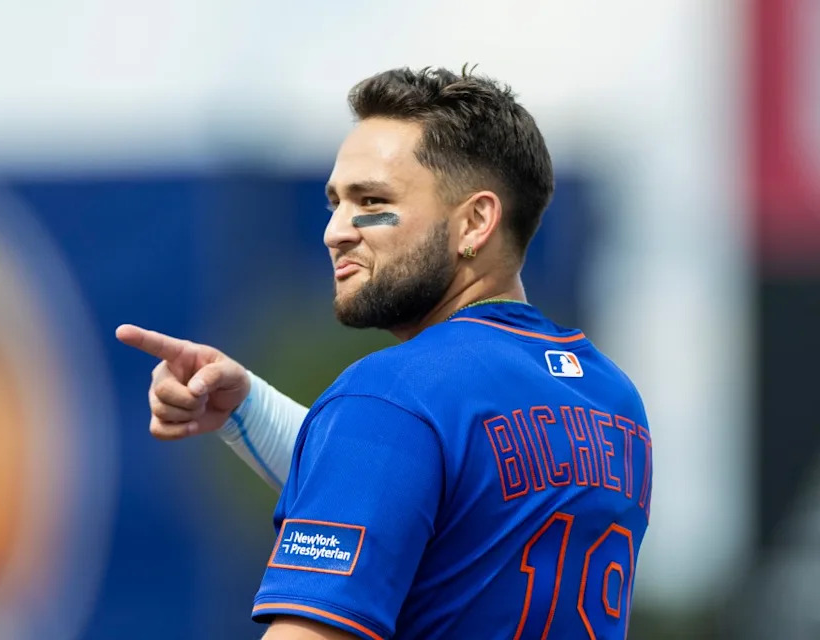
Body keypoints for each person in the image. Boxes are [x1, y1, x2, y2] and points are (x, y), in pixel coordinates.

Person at [117, 66, 653, 640]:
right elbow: (433, 493)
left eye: (371, 200)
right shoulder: (612, 398)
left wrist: (352, 418)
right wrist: (250, 408)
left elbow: (400, 447)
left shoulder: (393, 393)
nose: (336, 231)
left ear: (475, 221)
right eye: (334, 203)